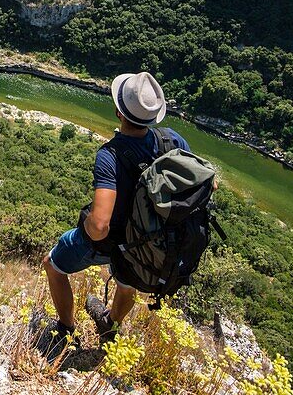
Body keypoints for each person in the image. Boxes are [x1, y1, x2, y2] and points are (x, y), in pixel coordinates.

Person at [40, 71, 188, 354]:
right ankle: (110, 324)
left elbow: (99, 226)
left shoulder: (110, 155)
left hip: (113, 242)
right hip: (148, 241)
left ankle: (66, 328)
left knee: (53, 265)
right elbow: (209, 183)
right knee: (126, 281)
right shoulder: (173, 141)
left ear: (118, 111)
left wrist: (85, 227)